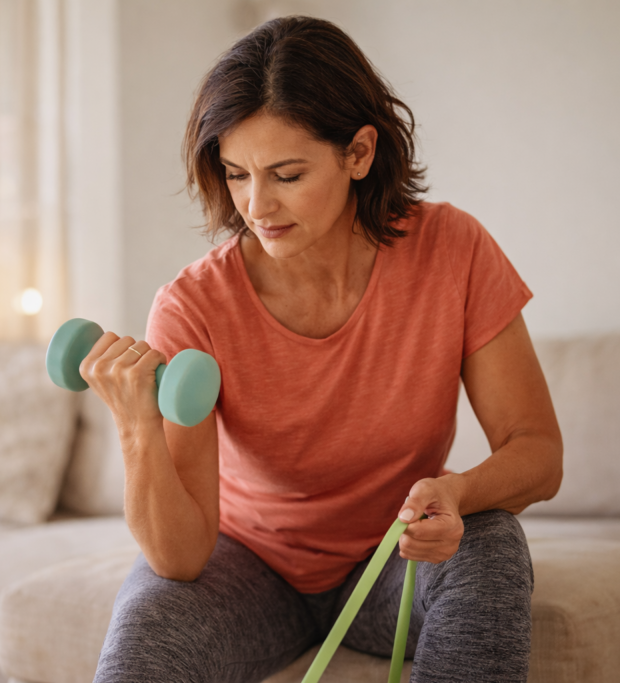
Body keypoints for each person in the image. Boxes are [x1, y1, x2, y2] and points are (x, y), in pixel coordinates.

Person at [81, 15, 562, 683]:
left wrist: (458, 490)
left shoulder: (452, 250)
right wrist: (138, 429)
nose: (256, 204)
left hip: (394, 556)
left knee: (488, 540)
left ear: (359, 153)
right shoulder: (192, 306)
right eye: (237, 174)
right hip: (249, 567)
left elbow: (538, 451)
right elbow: (182, 557)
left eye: (286, 174)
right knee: (147, 636)